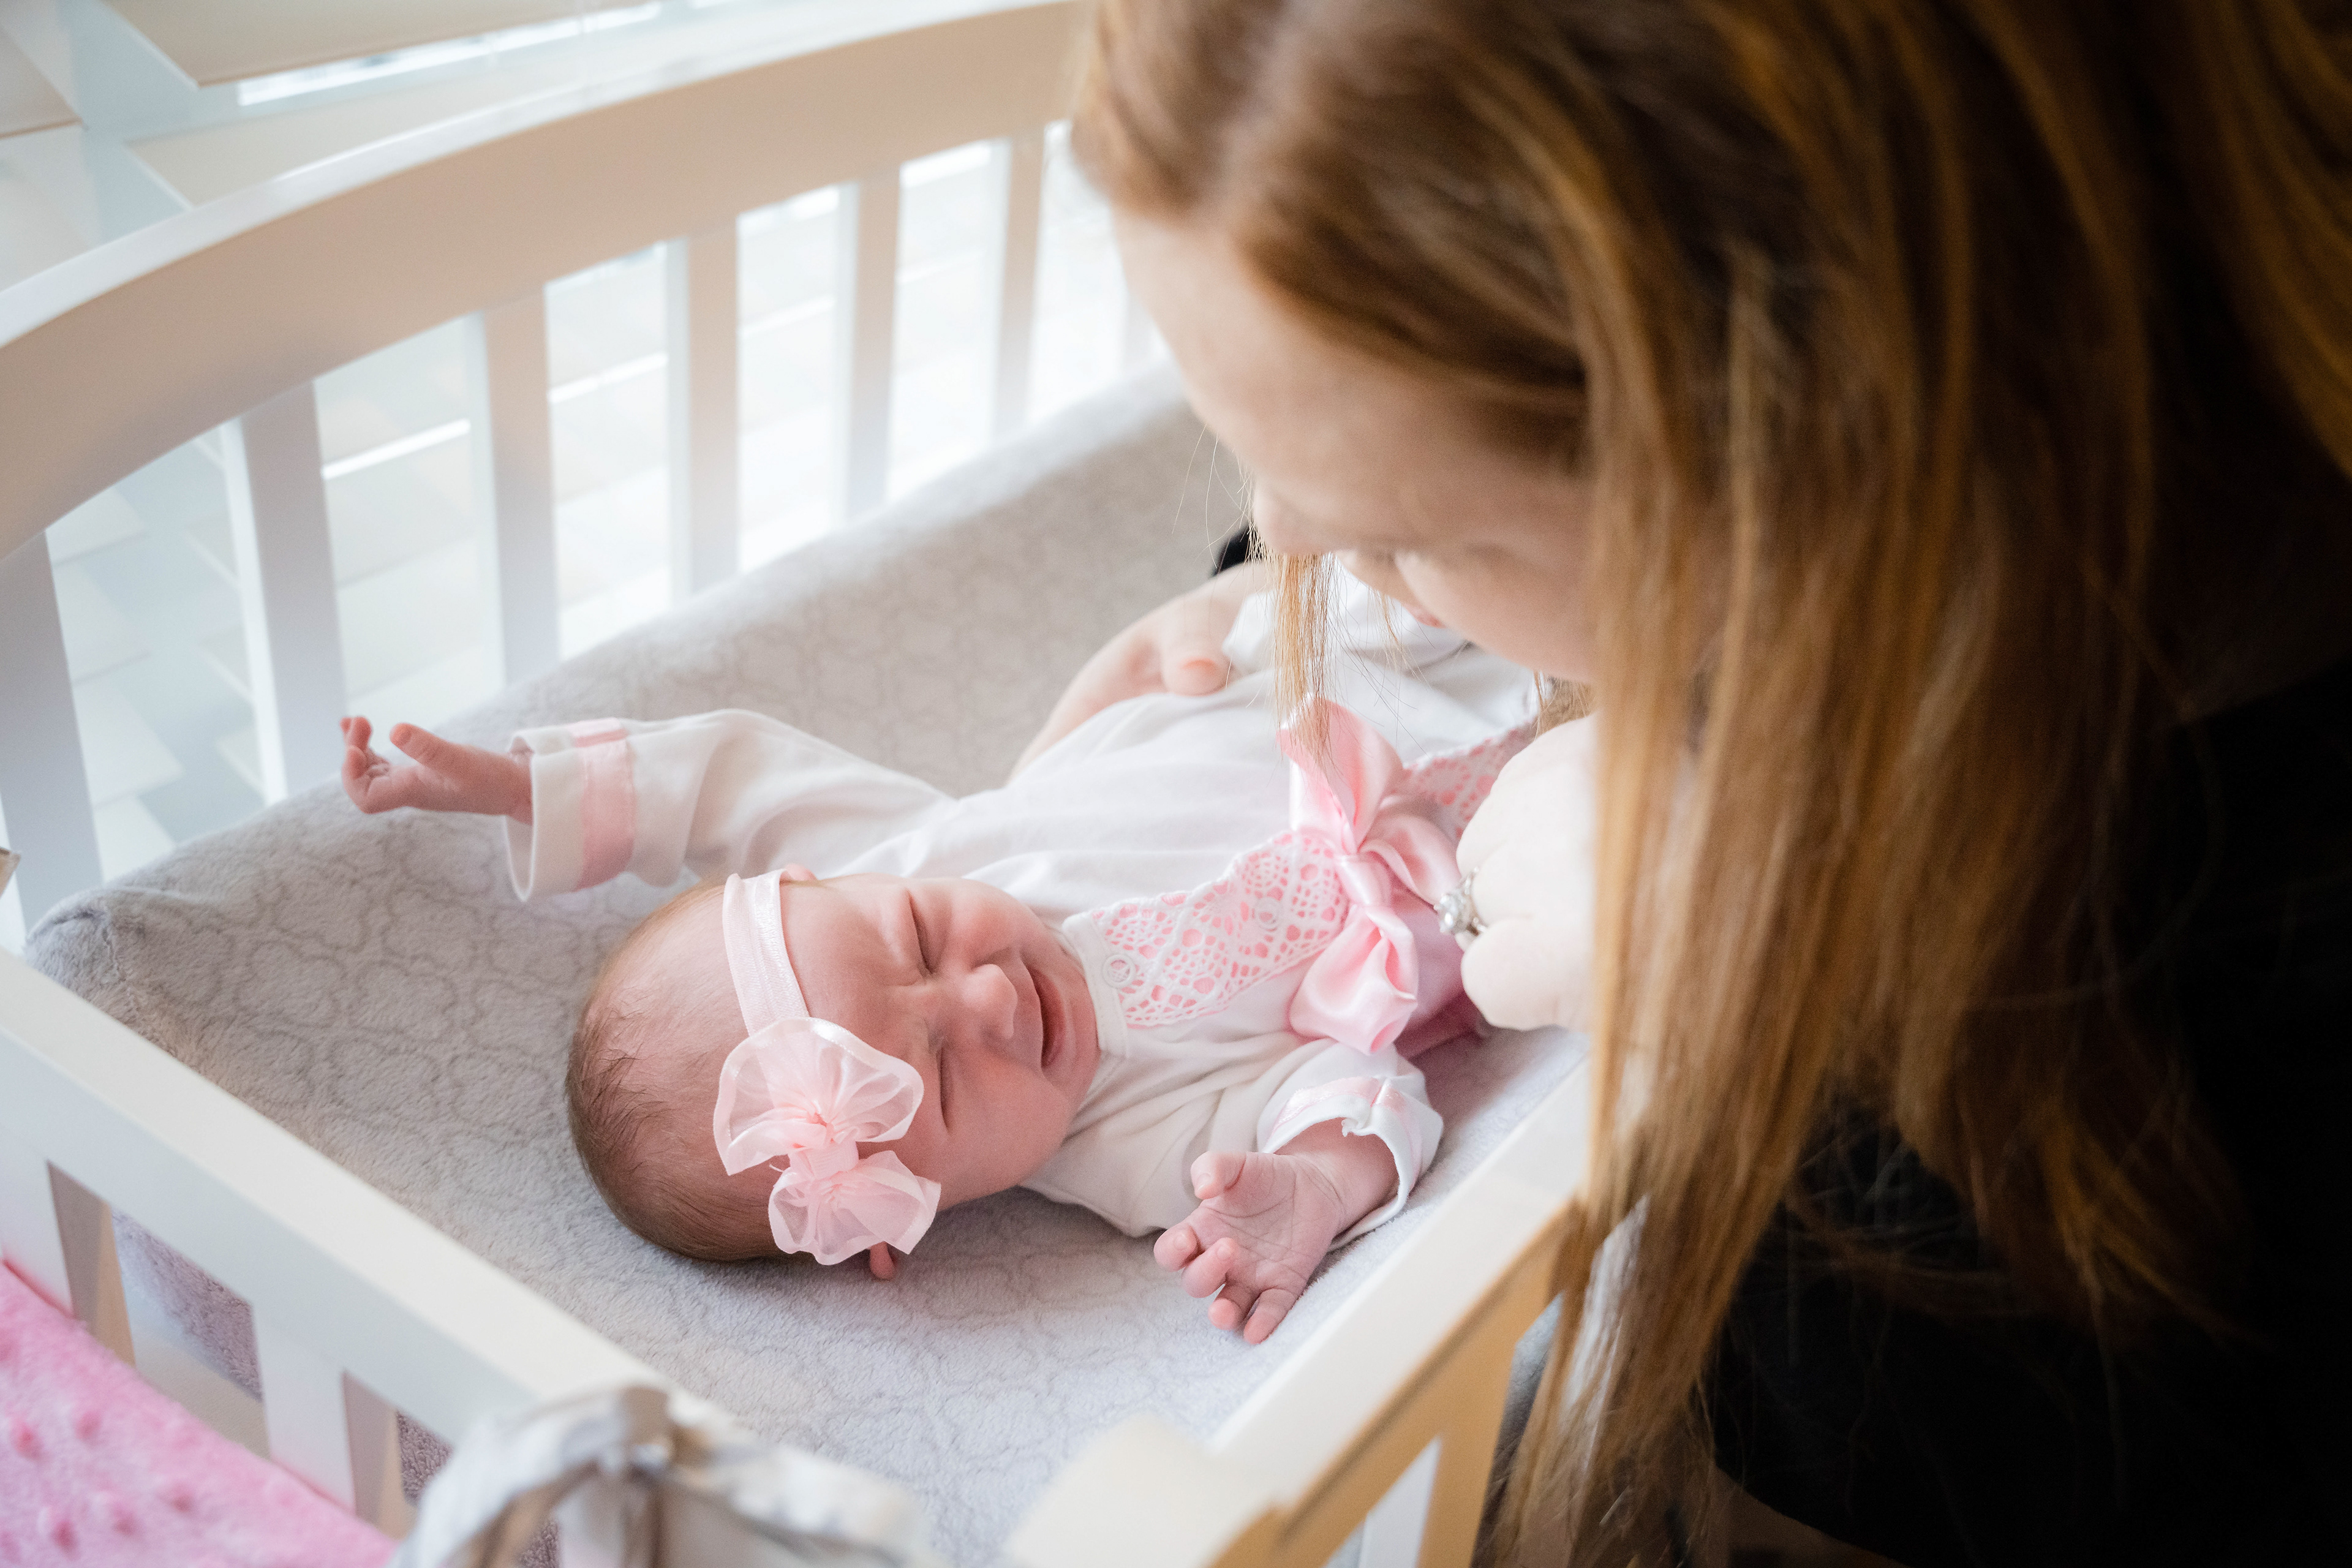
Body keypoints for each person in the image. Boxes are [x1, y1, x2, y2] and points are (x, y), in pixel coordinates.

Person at [1033, 1, 2352, 1563]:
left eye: (1397, 528)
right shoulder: (1933, 473)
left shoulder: (2206, 984)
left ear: (1814, 464)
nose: (1300, 544)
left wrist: (1761, 981)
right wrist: (1277, 585)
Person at [339, 579, 1536, 1343]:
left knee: (1441, 539)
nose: (987, 995)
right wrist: (1315, 1191)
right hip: (1509, 841)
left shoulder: (902, 848)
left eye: (918, 938)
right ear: (902, 1225)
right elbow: (1345, 1092)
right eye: (949, 1081)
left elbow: (721, 780)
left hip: (1338, 657)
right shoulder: (1117, 1145)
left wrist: (513, 785)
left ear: (833, 879)